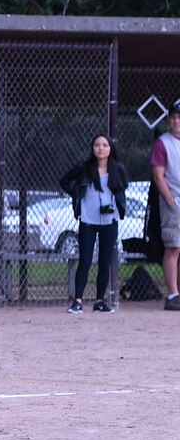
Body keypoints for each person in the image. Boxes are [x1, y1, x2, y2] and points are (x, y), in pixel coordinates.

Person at [58, 133, 129, 314]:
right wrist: (77, 195)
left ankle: (99, 301)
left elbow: (123, 186)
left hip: (109, 221)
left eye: (105, 145)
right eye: (97, 145)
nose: (101, 148)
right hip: (88, 220)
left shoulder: (117, 168)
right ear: (92, 148)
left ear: (111, 148)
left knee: (105, 262)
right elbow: (64, 181)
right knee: (85, 260)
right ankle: (78, 301)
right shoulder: (84, 168)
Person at [151, 107, 180, 311]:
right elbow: (158, 175)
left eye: (179, 118)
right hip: (175, 200)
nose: (176, 121)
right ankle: (173, 294)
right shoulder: (163, 143)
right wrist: (170, 199)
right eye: (173, 118)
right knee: (174, 247)